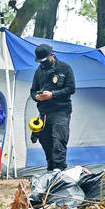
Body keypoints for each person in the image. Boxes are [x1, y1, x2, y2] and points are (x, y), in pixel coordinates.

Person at [30, 43, 75, 171]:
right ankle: (50, 168)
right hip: (44, 112)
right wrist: (36, 97)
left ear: (52, 55)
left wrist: (52, 95)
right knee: (45, 141)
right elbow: (33, 91)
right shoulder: (39, 71)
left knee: (58, 139)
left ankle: (59, 169)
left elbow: (71, 89)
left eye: (44, 60)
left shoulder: (65, 68)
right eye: (40, 61)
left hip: (61, 110)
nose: (42, 63)